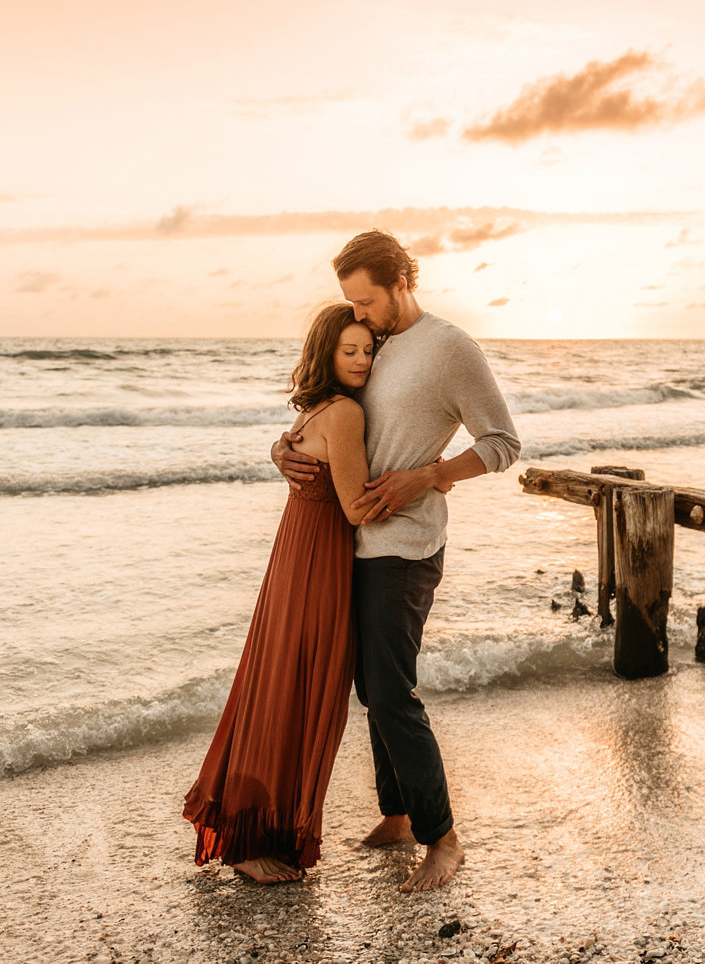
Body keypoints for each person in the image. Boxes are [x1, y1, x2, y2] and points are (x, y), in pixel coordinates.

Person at [274, 229, 520, 893]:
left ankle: (444, 839)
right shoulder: (377, 344)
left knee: (389, 692)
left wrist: (429, 476)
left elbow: (503, 443)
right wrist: (284, 447)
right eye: (350, 304)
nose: (358, 315)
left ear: (399, 283)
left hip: (405, 546)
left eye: (365, 301)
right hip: (353, 542)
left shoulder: (448, 348)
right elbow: (334, 407)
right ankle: (400, 813)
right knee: (370, 688)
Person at [183, 302, 380, 884]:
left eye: (369, 350)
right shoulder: (343, 413)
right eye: (350, 352)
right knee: (298, 691)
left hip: (296, 557)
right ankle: (250, 839)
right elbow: (354, 508)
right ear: (326, 354)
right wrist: (427, 480)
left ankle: (260, 830)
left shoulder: (319, 407)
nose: (363, 361)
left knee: (276, 684)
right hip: (319, 565)